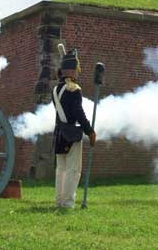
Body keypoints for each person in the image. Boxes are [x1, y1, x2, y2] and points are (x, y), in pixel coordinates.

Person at [52, 45, 96, 209]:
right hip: (71, 132)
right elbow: (79, 113)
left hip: (59, 133)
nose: (78, 72)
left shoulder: (56, 89)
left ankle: (59, 201)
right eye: (76, 69)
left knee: (61, 170)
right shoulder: (74, 89)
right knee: (73, 170)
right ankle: (68, 203)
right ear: (71, 71)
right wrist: (89, 131)